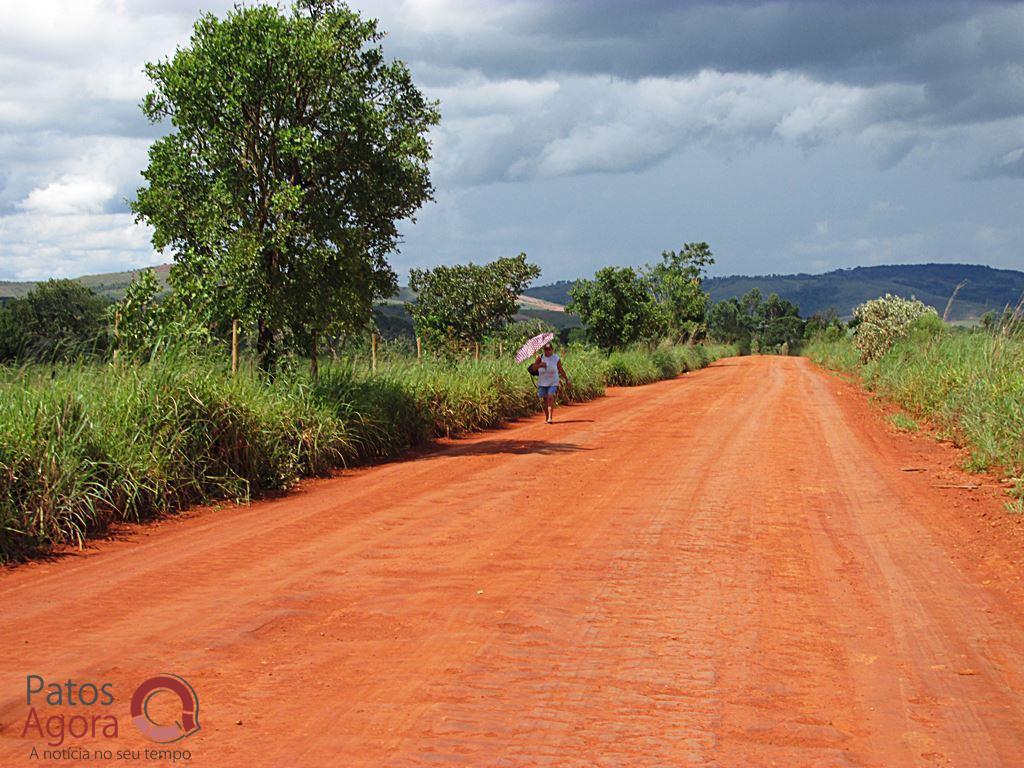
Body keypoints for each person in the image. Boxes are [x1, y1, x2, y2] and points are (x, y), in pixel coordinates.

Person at [533, 341, 569, 423]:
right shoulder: (540, 358)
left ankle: (550, 417)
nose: (547, 351)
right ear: (544, 350)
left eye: (549, 349)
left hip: (553, 382)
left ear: (552, 350)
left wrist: (567, 379)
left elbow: (561, 369)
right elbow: (534, 368)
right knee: (544, 400)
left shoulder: (556, 358)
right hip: (542, 382)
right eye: (546, 349)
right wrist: (540, 365)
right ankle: (546, 416)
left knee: (550, 397)